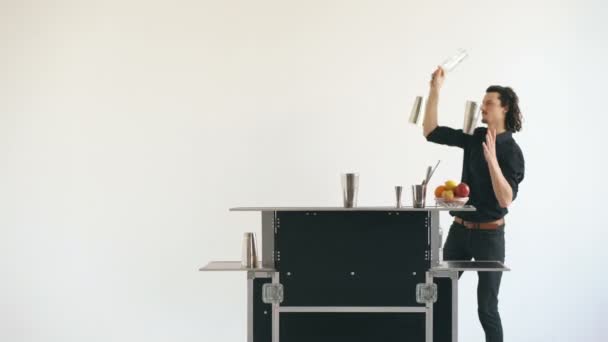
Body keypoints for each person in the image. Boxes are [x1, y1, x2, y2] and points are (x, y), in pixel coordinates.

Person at [423, 66, 525, 342]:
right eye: (482, 104)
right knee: (436, 298)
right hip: (460, 232)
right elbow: (431, 131)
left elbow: (506, 199)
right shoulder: (476, 137)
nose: (483, 108)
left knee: (487, 310)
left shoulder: (512, 153)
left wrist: (492, 159)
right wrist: (435, 90)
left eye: (489, 104)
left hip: (490, 236)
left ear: (505, 109)